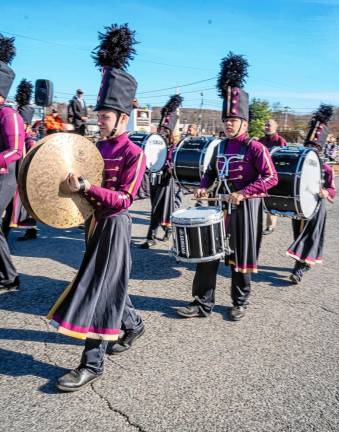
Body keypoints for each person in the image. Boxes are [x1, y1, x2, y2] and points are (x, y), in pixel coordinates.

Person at [47, 24, 146, 392]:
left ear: (122, 118)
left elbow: (124, 199)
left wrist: (89, 186)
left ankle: (92, 363)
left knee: (99, 289)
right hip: (92, 226)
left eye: (105, 115)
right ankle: (133, 324)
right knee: (110, 283)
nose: (98, 119)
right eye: (98, 113)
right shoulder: (96, 148)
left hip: (116, 227)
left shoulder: (132, 153)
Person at [176, 52, 278, 321]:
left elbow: (271, 178)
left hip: (244, 209)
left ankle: (240, 302)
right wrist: (203, 187)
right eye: (226, 120)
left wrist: (243, 193)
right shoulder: (220, 145)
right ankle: (201, 302)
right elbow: (210, 172)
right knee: (208, 253)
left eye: (232, 120)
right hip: (219, 206)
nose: (228, 124)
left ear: (244, 122)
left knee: (240, 257)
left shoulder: (255, 147)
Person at [287, 104, 336, 284]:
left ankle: (299, 269)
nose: (310, 149)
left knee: (309, 236)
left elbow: (332, 190)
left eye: (314, 147)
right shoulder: (298, 162)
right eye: (308, 146)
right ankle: (302, 262)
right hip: (298, 206)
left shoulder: (326, 168)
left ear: (320, 148)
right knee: (298, 235)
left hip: (316, 207)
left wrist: (325, 192)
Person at [140, 94, 183, 248]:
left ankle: (150, 237)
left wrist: (170, 167)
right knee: (158, 207)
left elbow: (175, 162)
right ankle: (168, 229)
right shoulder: (155, 141)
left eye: (166, 129)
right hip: (155, 177)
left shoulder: (174, 146)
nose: (162, 131)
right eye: (161, 128)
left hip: (167, 179)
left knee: (160, 207)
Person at [0, 34, 24, 292]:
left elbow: (15, 150)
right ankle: (8, 276)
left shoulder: (9, 115)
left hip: (5, 177)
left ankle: (10, 278)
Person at [2, 79, 37, 241]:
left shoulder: (30, 138)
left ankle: (29, 231)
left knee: (24, 207)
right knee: (12, 210)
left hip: (22, 175)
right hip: (13, 171)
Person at [259, 118, 287, 235]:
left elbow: (285, 159)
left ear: (276, 127)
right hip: (260, 174)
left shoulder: (280, 141)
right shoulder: (261, 140)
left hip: (273, 175)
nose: (266, 127)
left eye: (269, 125)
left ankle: (270, 226)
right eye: (265, 125)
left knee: (270, 199)